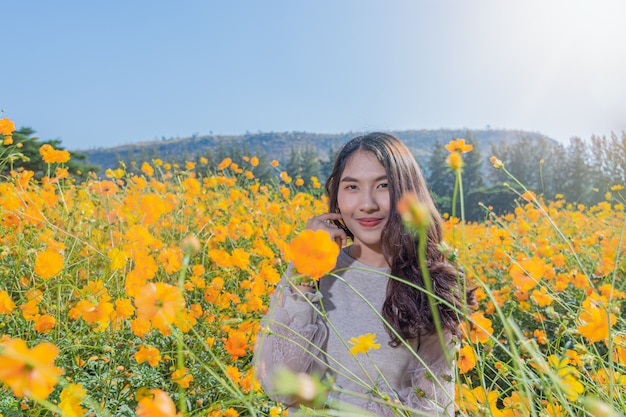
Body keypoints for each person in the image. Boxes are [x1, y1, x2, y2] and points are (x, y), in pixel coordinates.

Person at [254, 132, 475, 416]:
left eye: (383, 185)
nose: (367, 203)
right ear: (337, 196)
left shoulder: (430, 286)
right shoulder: (311, 271)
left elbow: (433, 407)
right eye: (352, 187)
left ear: (407, 193)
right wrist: (305, 268)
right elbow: (276, 385)